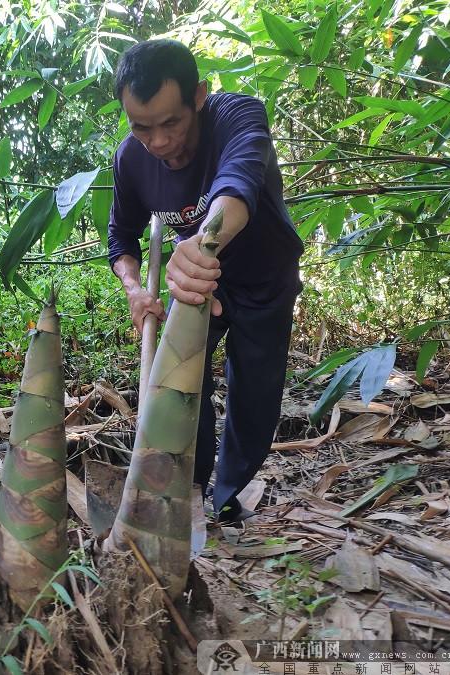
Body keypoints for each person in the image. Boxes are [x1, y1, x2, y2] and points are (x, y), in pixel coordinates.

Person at [107, 39, 304, 523]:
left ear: (198, 95)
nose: (158, 142)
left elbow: (237, 184)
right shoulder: (131, 159)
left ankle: (228, 494)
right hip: (198, 286)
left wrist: (202, 241)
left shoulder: (236, 115)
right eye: (142, 127)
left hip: (263, 279)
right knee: (175, 381)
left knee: (254, 397)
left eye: (170, 122)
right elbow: (121, 239)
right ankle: (187, 492)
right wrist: (135, 289)